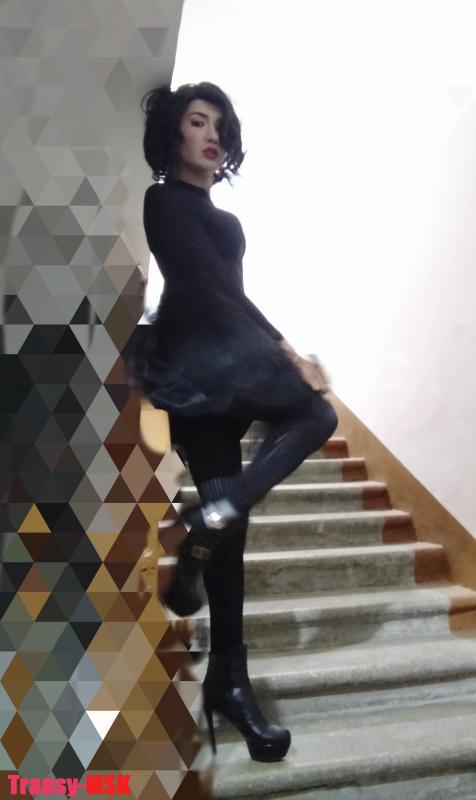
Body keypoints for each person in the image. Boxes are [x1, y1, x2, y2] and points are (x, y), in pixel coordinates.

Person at [131, 81, 338, 763]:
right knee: (315, 412)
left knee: (233, 523)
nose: (212, 133)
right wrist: (287, 350)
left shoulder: (220, 214)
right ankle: (212, 519)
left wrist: (278, 347)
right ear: (174, 132)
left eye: (220, 124)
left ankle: (228, 677)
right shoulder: (163, 199)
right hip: (195, 362)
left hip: (227, 354)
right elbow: (208, 289)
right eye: (198, 121)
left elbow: (233, 291)